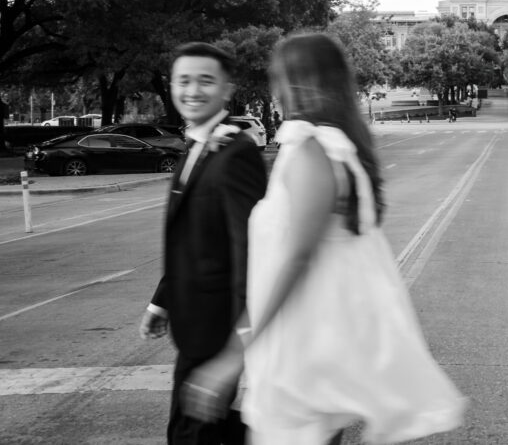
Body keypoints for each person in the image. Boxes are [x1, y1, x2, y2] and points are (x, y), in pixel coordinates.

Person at [182, 33, 464, 444]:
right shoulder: (332, 145)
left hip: (302, 344)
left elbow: (296, 257)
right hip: (312, 340)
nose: (274, 92)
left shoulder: (311, 149)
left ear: (296, 83)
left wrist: (234, 352)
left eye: (278, 78)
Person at [139, 42, 268, 445]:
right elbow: (191, 238)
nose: (192, 91)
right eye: (184, 80)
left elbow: (251, 254)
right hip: (195, 325)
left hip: (218, 329)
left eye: (205, 81)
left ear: (227, 89)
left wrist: (235, 352)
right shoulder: (197, 144)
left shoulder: (235, 153)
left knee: (192, 435)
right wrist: (162, 301)